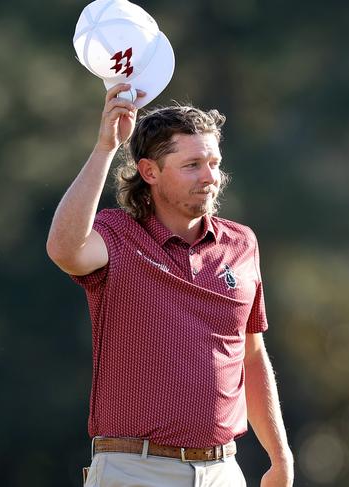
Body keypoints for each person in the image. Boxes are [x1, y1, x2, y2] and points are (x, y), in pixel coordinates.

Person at [46, 83, 294, 487]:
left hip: (223, 470)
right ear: (150, 172)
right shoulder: (116, 235)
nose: (210, 177)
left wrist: (280, 455)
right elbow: (63, 248)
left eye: (214, 162)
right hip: (134, 469)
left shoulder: (241, 243)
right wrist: (106, 147)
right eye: (193, 165)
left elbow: (251, 356)